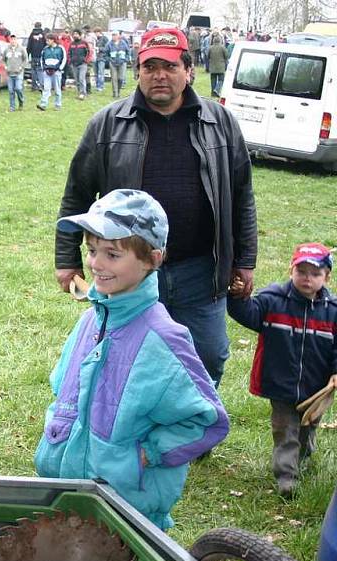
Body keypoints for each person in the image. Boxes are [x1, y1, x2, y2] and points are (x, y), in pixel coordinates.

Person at [54, 27, 257, 388]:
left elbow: (241, 196)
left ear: (188, 70)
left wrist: (245, 260)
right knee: (121, 359)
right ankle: (128, 437)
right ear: (138, 72)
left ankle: (190, 440)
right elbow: (76, 194)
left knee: (207, 357)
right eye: (150, 67)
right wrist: (66, 260)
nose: (159, 75)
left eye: (169, 65)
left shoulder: (220, 122)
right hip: (131, 270)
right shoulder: (107, 123)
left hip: (201, 270)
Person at [35, 189, 230, 530]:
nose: (96, 263)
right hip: (67, 497)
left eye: (112, 254)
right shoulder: (90, 320)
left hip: (125, 513)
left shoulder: (165, 339)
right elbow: (61, 388)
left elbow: (206, 420)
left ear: (151, 259)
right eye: (92, 250)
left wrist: (146, 455)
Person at [227, 243, 336, 498]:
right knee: (286, 430)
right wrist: (237, 296)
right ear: (291, 270)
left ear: (326, 277)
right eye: (301, 271)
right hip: (281, 384)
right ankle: (287, 478)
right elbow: (247, 314)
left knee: (308, 426)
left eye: (315, 273)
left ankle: (304, 456)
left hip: (316, 388)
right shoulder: (273, 301)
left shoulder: (332, 312)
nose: (307, 278)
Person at [37, 33, 65, 111]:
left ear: (53, 40)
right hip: (47, 71)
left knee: (57, 89)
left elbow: (64, 59)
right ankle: (43, 104)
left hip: (56, 71)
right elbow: (42, 59)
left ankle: (58, 105)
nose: (47, 42)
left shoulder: (60, 48)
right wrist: (44, 69)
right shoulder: (45, 49)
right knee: (46, 88)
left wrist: (60, 68)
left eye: (48, 40)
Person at [2, 33, 27, 111]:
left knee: (18, 88)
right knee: (11, 90)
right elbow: (3, 60)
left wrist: (21, 67)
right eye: (11, 39)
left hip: (19, 73)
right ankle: (12, 106)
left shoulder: (21, 49)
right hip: (10, 73)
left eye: (14, 39)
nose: (13, 41)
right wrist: (5, 66)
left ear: (17, 40)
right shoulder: (6, 50)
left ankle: (21, 101)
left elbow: (25, 59)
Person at [104, 31, 130, 98]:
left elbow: (128, 51)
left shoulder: (123, 43)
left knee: (121, 78)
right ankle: (115, 93)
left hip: (122, 62)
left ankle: (118, 90)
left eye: (115, 35)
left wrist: (126, 59)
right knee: (114, 78)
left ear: (118, 36)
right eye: (113, 35)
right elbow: (105, 54)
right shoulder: (109, 44)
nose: (114, 36)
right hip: (112, 63)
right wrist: (109, 60)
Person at [67, 29, 91, 100]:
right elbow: (69, 53)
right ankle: (79, 92)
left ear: (80, 35)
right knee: (77, 80)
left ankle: (83, 93)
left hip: (83, 64)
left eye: (76, 34)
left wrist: (86, 60)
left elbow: (88, 52)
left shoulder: (84, 43)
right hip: (74, 64)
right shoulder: (72, 44)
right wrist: (70, 60)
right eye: (74, 34)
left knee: (81, 78)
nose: (75, 35)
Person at [26, 22, 46, 91]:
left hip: (33, 56)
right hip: (41, 56)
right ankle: (41, 85)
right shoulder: (43, 34)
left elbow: (29, 46)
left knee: (33, 71)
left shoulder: (32, 34)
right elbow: (45, 44)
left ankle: (34, 86)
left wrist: (28, 54)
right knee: (40, 70)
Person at [207, 32, 228, 97]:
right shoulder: (223, 48)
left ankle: (213, 93)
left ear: (213, 41)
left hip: (212, 66)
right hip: (221, 67)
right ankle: (217, 89)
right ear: (220, 41)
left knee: (213, 80)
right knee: (221, 80)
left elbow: (208, 56)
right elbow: (226, 56)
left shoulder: (210, 48)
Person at [94, 27, 109, 92]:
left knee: (101, 72)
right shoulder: (95, 39)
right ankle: (97, 85)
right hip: (95, 58)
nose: (95, 34)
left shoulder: (105, 39)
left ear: (99, 32)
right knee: (96, 73)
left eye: (96, 32)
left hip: (102, 58)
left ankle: (101, 86)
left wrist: (99, 48)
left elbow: (107, 48)